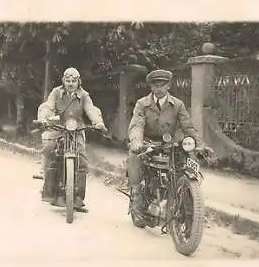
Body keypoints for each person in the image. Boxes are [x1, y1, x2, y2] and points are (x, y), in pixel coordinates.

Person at [127, 69, 214, 220]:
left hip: (169, 144)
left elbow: (188, 127)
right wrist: (136, 142)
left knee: (187, 163)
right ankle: (136, 198)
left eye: (163, 84)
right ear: (151, 87)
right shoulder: (142, 104)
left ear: (169, 85)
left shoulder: (178, 105)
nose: (159, 88)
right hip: (147, 143)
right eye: (156, 85)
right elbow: (137, 125)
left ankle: (191, 210)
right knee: (134, 157)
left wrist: (201, 145)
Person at [36, 67, 107, 212]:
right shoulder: (56, 92)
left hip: (76, 128)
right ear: (63, 81)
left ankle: (78, 199)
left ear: (78, 82)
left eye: (73, 81)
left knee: (82, 159)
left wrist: (97, 122)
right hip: (59, 126)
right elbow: (48, 106)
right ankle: (48, 189)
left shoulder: (84, 95)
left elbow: (91, 109)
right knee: (49, 148)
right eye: (67, 80)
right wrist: (43, 118)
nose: (70, 83)